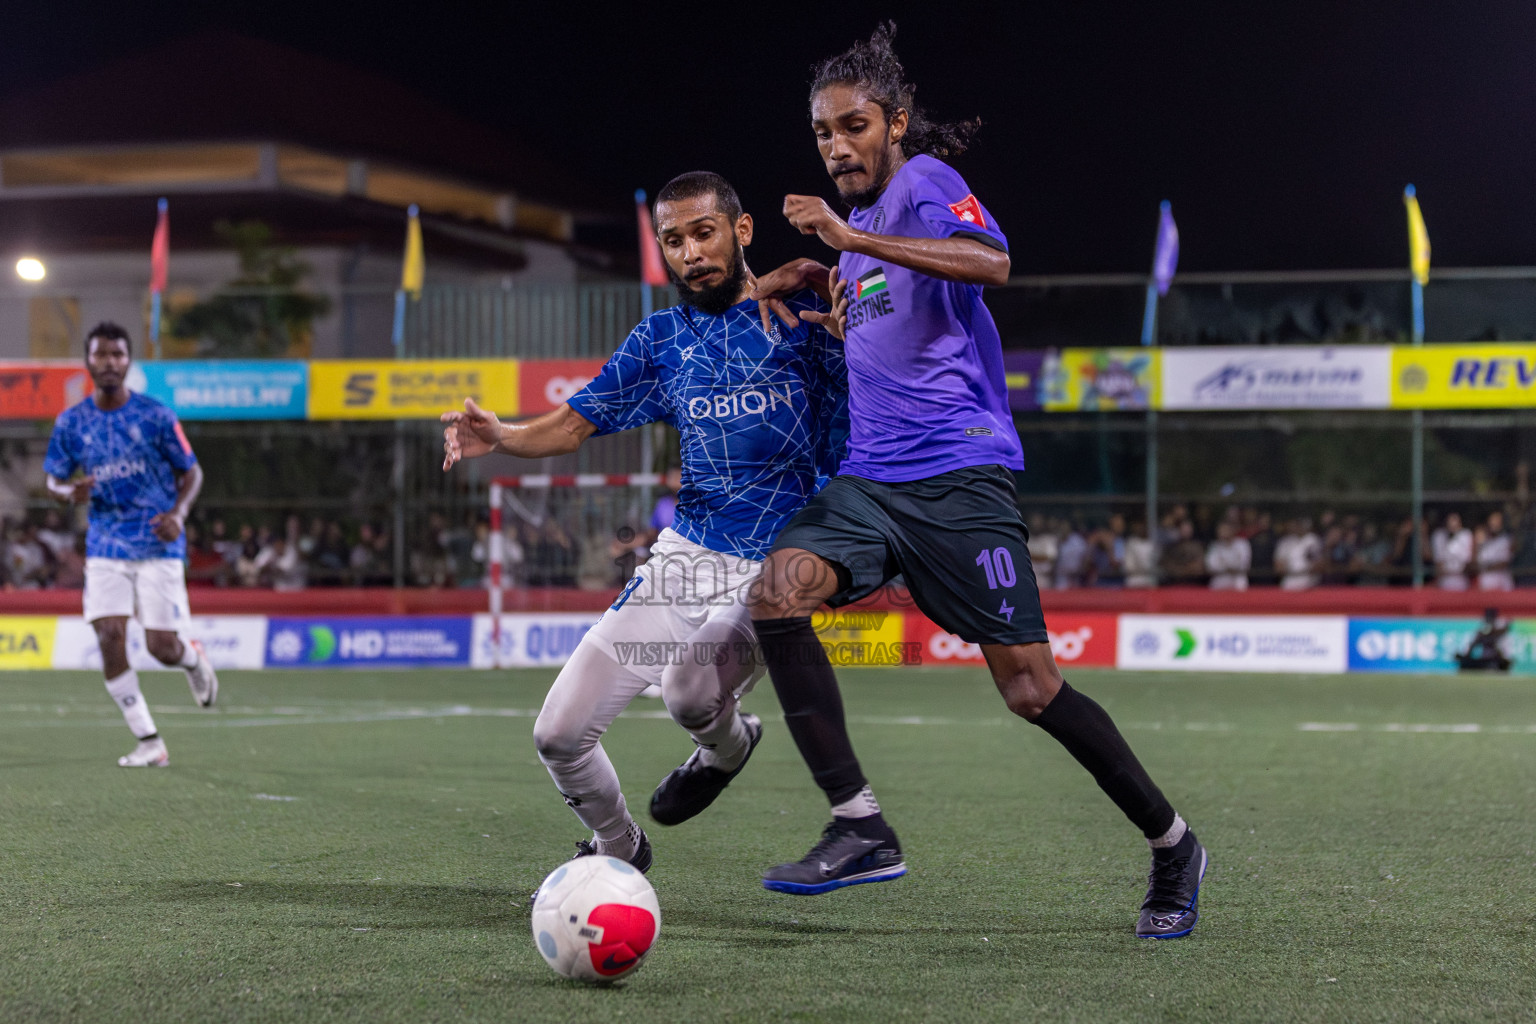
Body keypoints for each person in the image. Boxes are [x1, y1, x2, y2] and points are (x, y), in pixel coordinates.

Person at [746, 24, 1205, 939]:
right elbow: (888, 343)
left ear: (896, 122)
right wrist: (814, 300)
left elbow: (991, 262)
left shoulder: (923, 187)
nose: (837, 145)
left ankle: (1174, 844)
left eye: (853, 125)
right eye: (823, 133)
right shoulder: (862, 238)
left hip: (959, 479)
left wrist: (839, 236)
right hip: (873, 481)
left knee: (1031, 689)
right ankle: (860, 823)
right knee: (775, 595)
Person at [442, 171, 849, 887]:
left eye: (704, 232)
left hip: (782, 562)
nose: (690, 252)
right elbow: (573, 422)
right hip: (686, 557)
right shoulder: (661, 340)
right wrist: (503, 436)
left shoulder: (802, 313)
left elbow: (870, 406)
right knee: (559, 734)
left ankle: (725, 750)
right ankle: (621, 845)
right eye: (674, 240)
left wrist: (848, 330)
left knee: (689, 693)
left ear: (741, 230)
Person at [44, 322, 219, 767]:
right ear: (87, 361)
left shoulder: (156, 416)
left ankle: (192, 661)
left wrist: (178, 514)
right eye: (100, 355)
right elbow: (53, 479)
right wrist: (68, 493)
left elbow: (192, 472)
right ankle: (149, 741)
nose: (109, 363)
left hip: (158, 542)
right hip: (106, 543)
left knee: (161, 647)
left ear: (128, 362)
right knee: (109, 634)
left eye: (118, 355)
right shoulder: (72, 422)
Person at [1431, 512, 1473, 591]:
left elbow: (1468, 561)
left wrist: (1457, 573)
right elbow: (1438, 561)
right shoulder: (1439, 535)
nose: (1452, 524)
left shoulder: (1466, 535)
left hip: (1461, 581)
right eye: (1450, 521)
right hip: (1444, 581)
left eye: (1455, 521)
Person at [1205, 520, 1251, 590]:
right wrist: (1229, 567)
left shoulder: (1242, 544)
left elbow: (1244, 564)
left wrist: (1224, 564)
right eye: (1220, 529)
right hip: (1219, 582)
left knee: (1241, 582)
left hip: (1238, 581)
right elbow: (1211, 566)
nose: (1221, 532)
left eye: (1225, 529)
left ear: (1232, 530)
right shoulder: (1214, 546)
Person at [1474, 511, 1513, 591]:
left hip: (1501, 585)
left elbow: (1503, 563)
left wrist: (1486, 567)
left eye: (1497, 522)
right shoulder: (1482, 541)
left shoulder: (1505, 540)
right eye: (1492, 521)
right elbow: (1475, 562)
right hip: (1485, 585)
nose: (1494, 524)